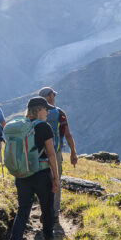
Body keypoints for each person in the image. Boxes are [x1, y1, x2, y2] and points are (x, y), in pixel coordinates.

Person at [6, 96, 61, 240]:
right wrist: (56, 177)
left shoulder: (19, 126)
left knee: (23, 210)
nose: (47, 113)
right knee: (47, 208)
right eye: (45, 110)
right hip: (41, 174)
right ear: (38, 110)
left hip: (22, 175)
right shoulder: (44, 127)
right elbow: (51, 154)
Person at [38, 86, 78, 220]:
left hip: (37, 154)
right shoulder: (60, 113)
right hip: (55, 153)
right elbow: (67, 134)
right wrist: (73, 153)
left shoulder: (36, 112)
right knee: (56, 180)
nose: (54, 97)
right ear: (50, 97)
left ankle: (44, 211)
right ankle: (54, 212)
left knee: (42, 182)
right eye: (53, 95)